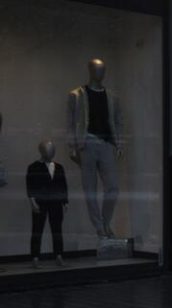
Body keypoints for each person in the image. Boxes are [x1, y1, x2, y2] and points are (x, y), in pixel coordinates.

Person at [66, 58, 123, 238]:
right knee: (90, 189)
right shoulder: (76, 94)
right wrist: (72, 147)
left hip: (106, 144)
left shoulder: (112, 97)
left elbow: (118, 122)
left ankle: (105, 223)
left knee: (113, 187)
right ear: (90, 70)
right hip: (87, 143)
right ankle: (99, 227)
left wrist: (119, 143)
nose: (101, 73)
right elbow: (70, 124)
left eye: (103, 70)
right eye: (98, 69)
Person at [27, 140, 68, 269]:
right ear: (41, 151)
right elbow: (30, 185)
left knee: (57, 230)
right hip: (40, 202)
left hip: (56, 202)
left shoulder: (59, 167)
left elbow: (63, 185)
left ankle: (59, 255)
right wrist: (32, 201)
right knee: (37, 230)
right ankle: (35, 257)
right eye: (48, 150)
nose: (50, 153)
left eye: (52, 150)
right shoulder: (33, 167)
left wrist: (65, 201)